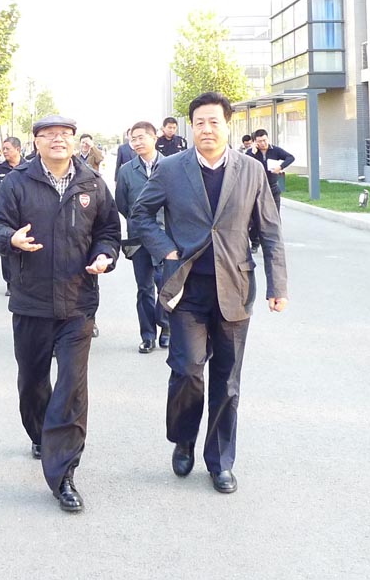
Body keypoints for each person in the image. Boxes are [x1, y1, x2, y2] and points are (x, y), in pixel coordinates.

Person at [130, 91, 288, 495]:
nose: (206, 129)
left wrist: (278, 285)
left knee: (227, 380)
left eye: (214, 121)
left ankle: (219, 461)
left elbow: (270, 230)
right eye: (199, 122)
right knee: (187, 370)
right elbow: (141, 213)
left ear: (227, 125)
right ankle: (183, 439)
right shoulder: (171, 169)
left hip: (235, 287)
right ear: (191, 126)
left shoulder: (251, 170)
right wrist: (165, 248)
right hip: (187, 288)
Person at [0, 115, 121, 513]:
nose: (58, 140)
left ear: (75, 141)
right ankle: (40, 432)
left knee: (72, 386)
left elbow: (108, 232)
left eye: (65, 134)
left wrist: (105, 255)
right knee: (32, 381)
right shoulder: (16, 182)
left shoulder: (92, 183)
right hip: (31, 301)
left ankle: (63, 474)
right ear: (37, 142)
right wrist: (9, 239)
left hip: (78, 302)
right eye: (49, 135)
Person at [115, 121, 169, 354]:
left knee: (165, 284)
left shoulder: (171, 166)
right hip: (138, 238)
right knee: (144, 288)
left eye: (140, 137)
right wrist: (137, 222)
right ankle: (147, 336)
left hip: (166, 238)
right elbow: (121, 203)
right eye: (132, 139)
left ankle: (166, 327)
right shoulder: (126, 170)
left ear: (154, 138)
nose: (136, 143)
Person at [247, 128, 295, 252]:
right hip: (256, 189)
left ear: (268, 138)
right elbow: (245, 163)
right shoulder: (252, 152)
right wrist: (253, 152)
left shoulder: (275, 150)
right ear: (255, 142)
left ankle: (275, 243)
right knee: (255, 217)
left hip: (272, 187)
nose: (263, 143)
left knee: (275, 217)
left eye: (264, 140)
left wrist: (280, 166)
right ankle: (255, 243)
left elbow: (290, 157)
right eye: (259, 141)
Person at [0, 136, 23, 296]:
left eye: (8, 148)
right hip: (5, 215)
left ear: (18, 149)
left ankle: (22, 280)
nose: (5, 151)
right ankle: (9, 282)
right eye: (3, 149)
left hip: (24, 215)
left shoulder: (29, 167)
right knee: (7, 248)